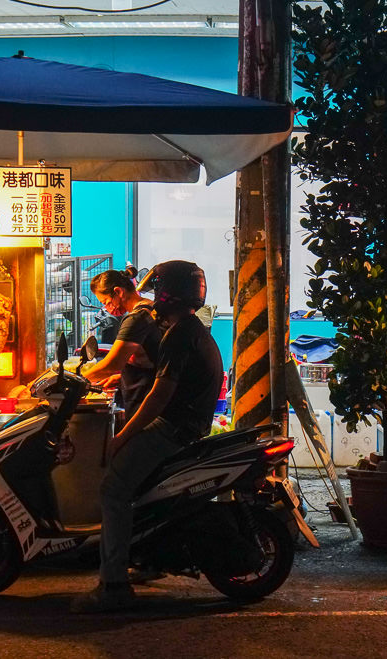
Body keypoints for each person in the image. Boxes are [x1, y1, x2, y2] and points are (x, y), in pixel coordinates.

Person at [71, 260, 223, 613]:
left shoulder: (178, 334)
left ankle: (113, 585)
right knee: (135, 489)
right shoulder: (192, 328)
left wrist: (123, 435)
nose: (152, 301)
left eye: (156, 292)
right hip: (189, 424)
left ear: (167, 294)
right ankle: (141, 557)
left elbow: (158, 397)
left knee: (113, 487)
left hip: (173, 428)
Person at [82, 270, 161, 421]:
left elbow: (111, 365)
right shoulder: (151, 307)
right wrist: (122, 377)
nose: (107, 308)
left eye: (106, 302)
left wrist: (77, 381)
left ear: (118, 292)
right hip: (151, 397)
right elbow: (149, 358)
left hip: (146, 403)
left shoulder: (137, 318)